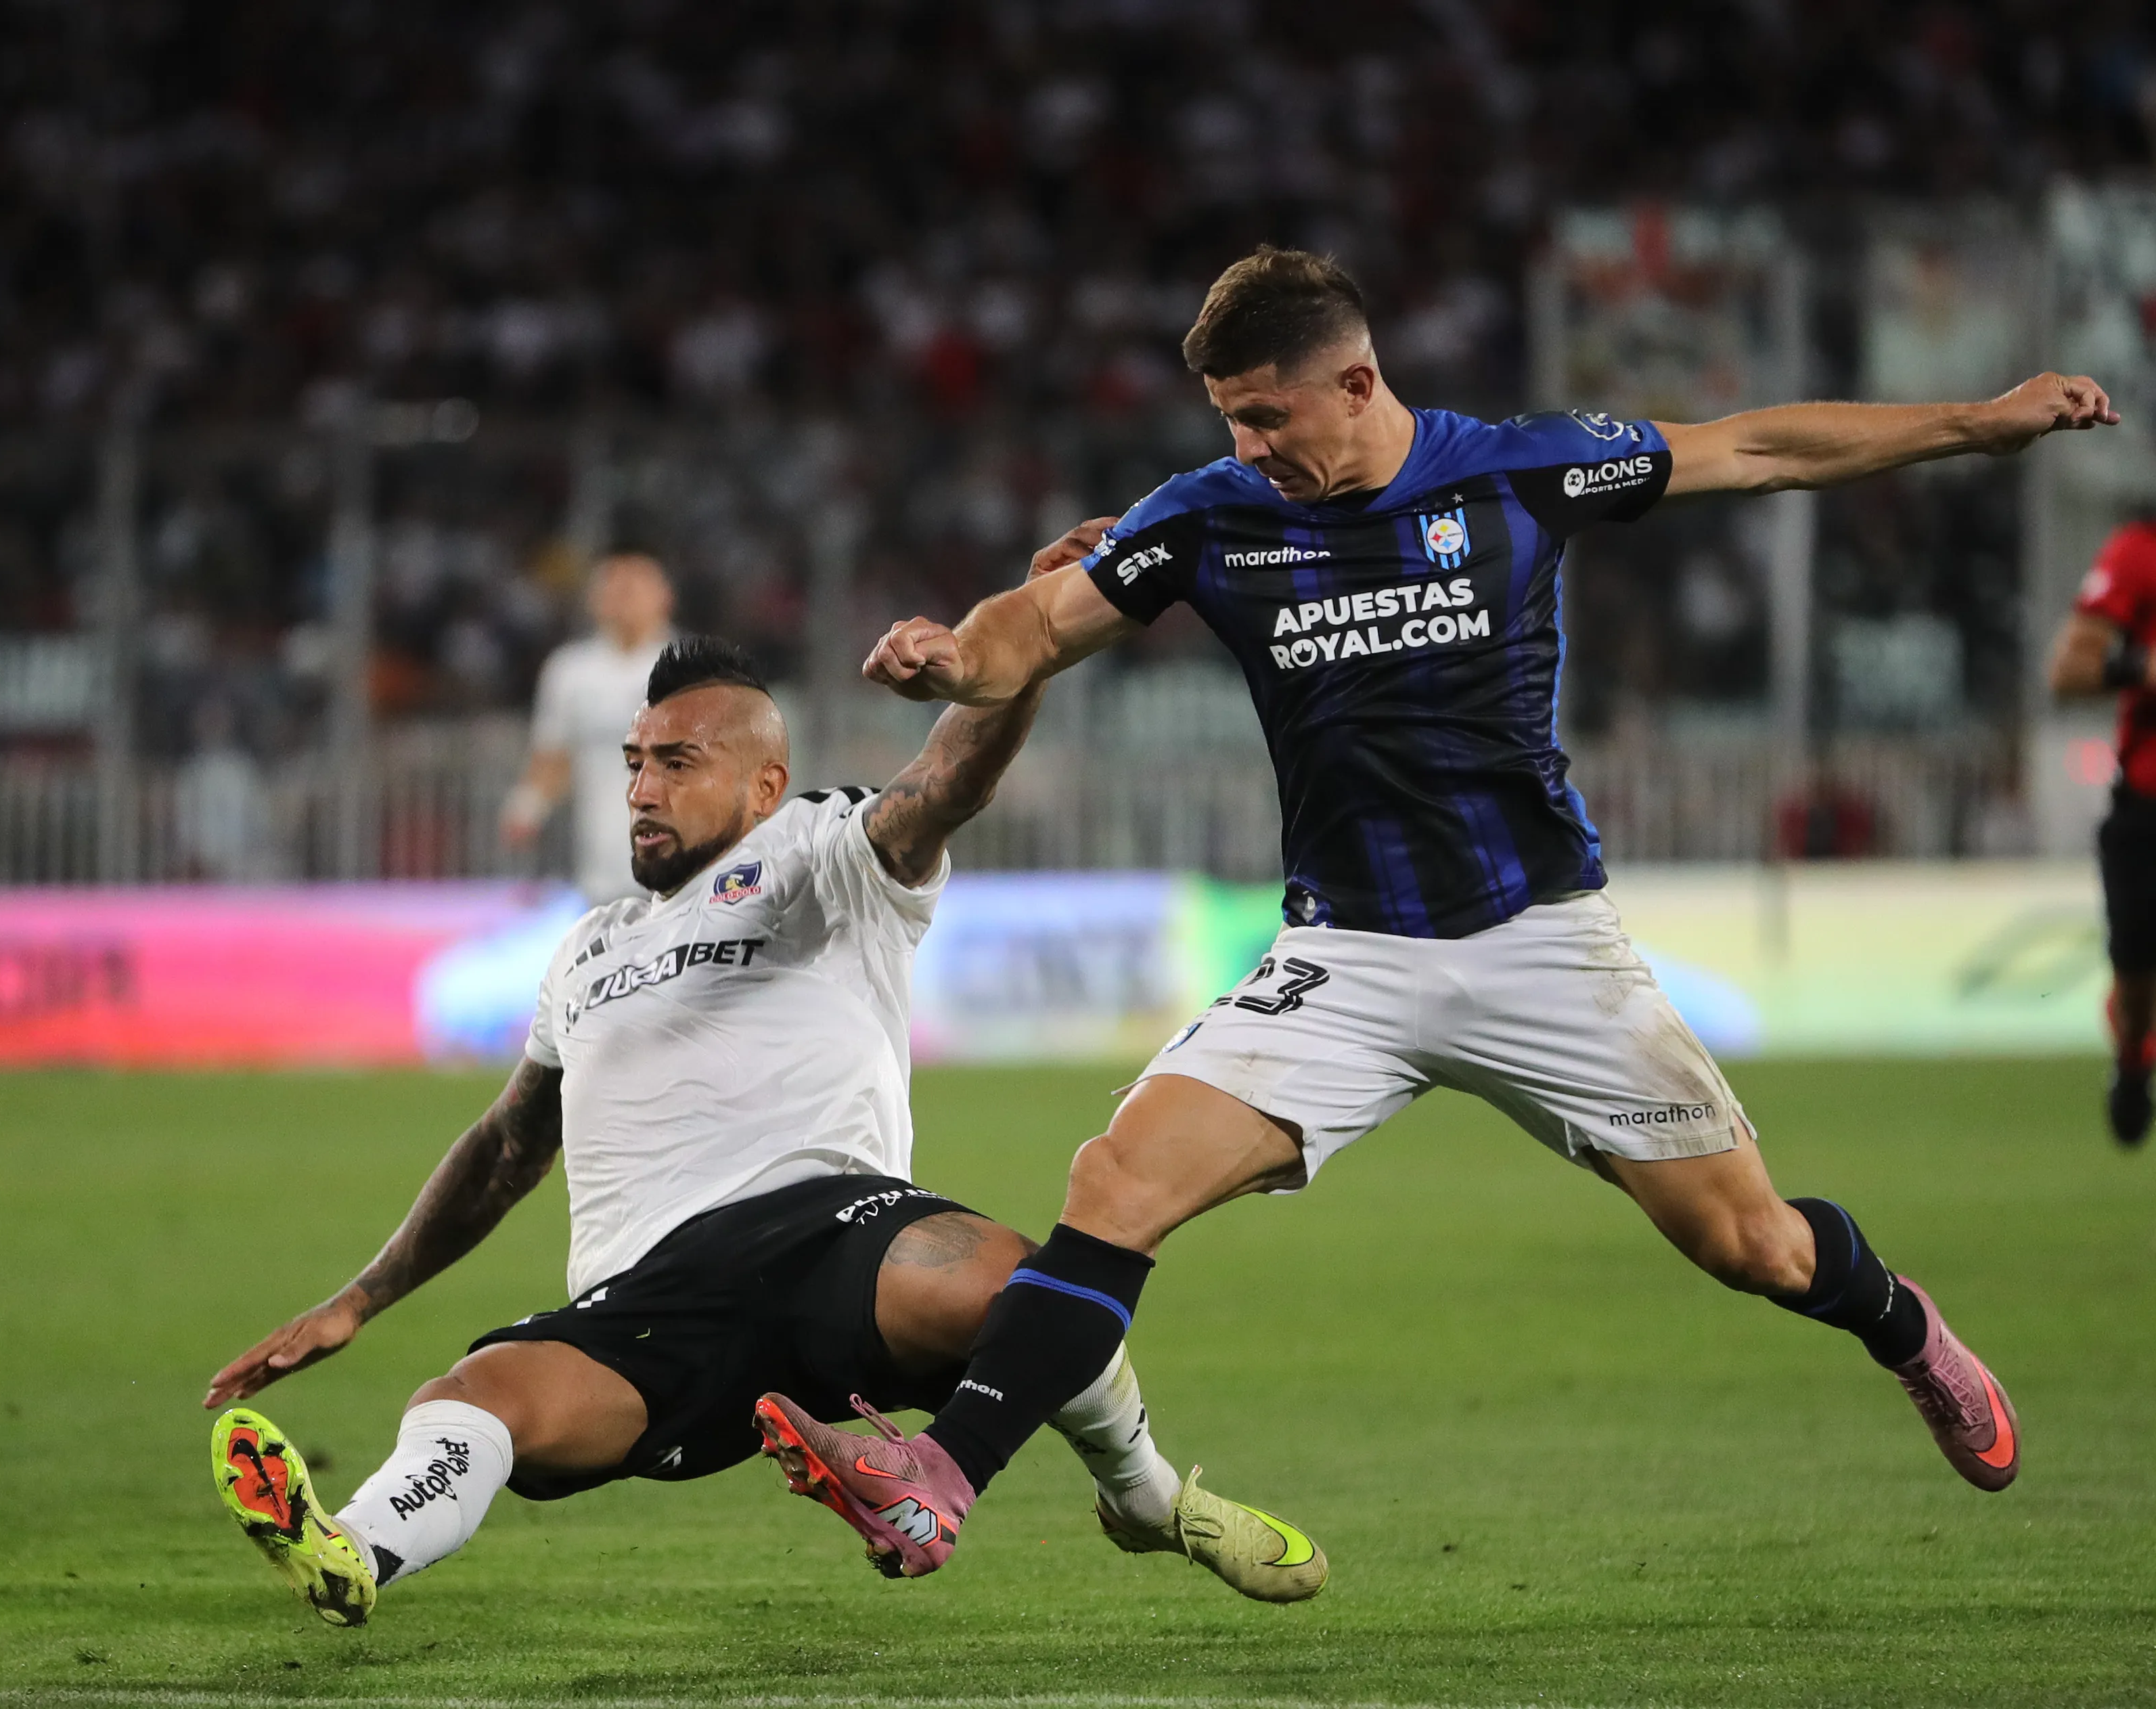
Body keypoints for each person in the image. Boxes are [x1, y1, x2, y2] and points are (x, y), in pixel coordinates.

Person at [764, 246, 2117, 1578]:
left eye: (1266, 415)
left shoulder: (1517, 469)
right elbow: (1041, 621)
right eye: (1228, 418)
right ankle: (941, 1475)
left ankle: (1900, 1326)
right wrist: (955, 655)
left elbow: (1756, 447)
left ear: (1356, 381)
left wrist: (1974, 422)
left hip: (1540, 943)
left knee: (1751, 1245)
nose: (1246, 445)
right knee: (1112, 1182)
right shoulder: (1211, 514)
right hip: (1345, 955)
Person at [202, 634, 1323, 1628]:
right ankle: (352, 1551)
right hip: (649, 1297)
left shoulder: (820, 853)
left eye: (676, 763)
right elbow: (506, 1146)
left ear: (764, 784)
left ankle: (1145, 1498)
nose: (641, 789)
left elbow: (944, 781)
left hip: (835, 1232)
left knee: (1020, 1285)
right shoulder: (587, 948)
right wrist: (360, 1299)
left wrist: (1027, 646)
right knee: (469, 1398)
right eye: (633, 763)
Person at [2046, 508, 2156, 1149]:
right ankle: (2134, 1057)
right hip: (2147, 806)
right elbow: (2068, 670)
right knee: (2136, 975)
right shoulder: (2139, 551)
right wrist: (2140, 668)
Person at [501, 552, 677, 904]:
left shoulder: (690, 667)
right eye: (613, 590)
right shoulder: (570, 672)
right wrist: (527, 806)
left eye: (633, 590)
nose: (623, 600)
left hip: (677, 865)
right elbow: (555, 755)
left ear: (664, 597)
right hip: (600, 866)